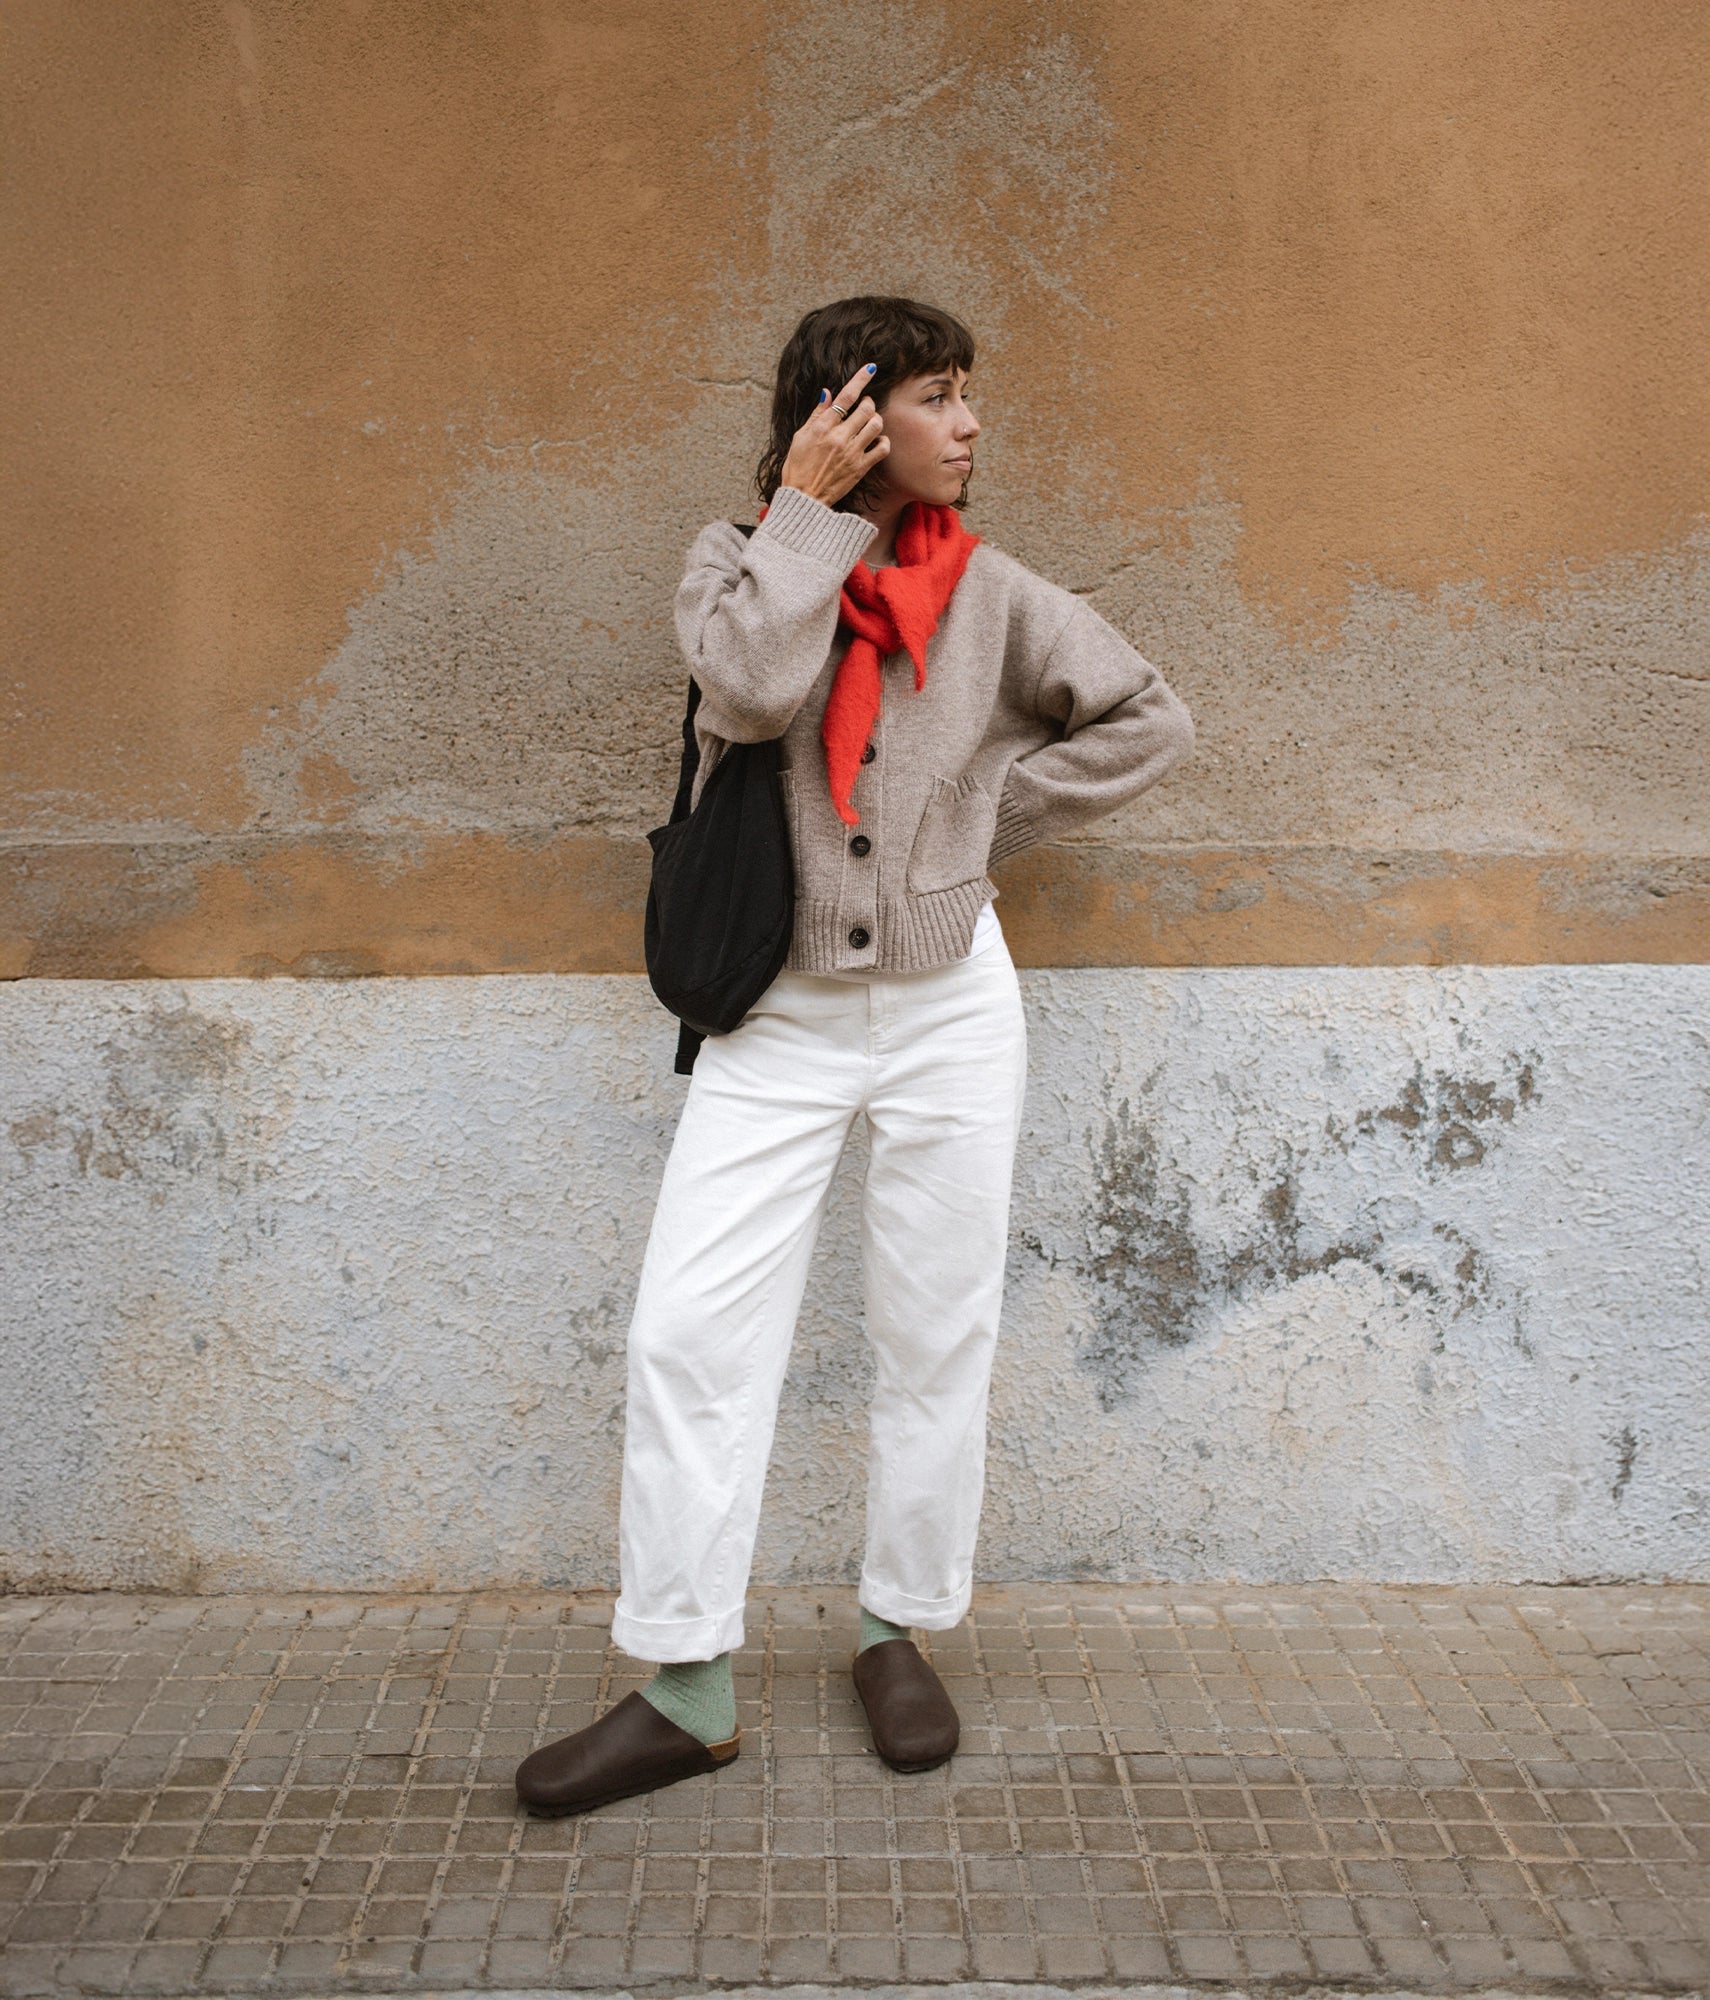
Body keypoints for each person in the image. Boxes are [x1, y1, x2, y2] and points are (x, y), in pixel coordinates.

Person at [515, 295, 1195, 1818]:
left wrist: (966, 835)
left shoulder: (994, 592)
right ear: (856, 414)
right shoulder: (733, 566)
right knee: (690, 1334)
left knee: (933, 1325)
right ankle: (685, 1685)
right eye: (943, 397)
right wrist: (807, 519)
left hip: (954, 1002)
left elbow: (1151, 721)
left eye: (968, 397)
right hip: (776, 1013)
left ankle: (898, 1630)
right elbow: (752, 692)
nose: (971, 426)